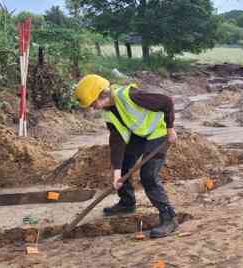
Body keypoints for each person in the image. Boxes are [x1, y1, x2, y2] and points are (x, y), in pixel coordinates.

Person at [74, 74, 178, 238]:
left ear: (101, 94)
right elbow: (117, 140)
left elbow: (166, 101)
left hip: (159, 131)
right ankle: (127, 203)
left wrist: (170, 128)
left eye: (93, 103)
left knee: (148, 175)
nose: (93, 107)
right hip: (139, 134)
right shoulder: (108, 112)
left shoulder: (130, 96)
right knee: (122, 167)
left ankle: (169, 218)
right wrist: (117, 171)